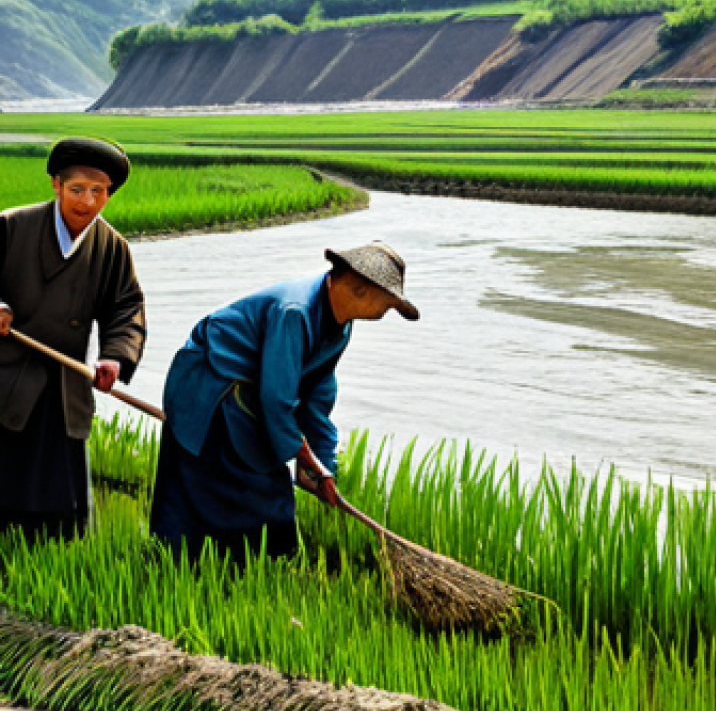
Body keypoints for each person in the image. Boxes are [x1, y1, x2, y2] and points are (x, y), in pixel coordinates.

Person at [149, 241, 419, 561]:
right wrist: (299, 454)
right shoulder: (295, 312)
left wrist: (322, 465)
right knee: (213, 486)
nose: (385, 313)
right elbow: (277, 399)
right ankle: (176, 569)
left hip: (252, 393)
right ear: (361, 290)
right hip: (211, 386)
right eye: (385, 305)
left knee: (266, 498)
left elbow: (318, 397)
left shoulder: (340, 326)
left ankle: (252, 571)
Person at [0, 137, 147, 540]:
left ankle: (55, 558)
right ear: (56, 186)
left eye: (98, 192)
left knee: (62, 509)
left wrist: (115, 357)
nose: (86, 202)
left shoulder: (112, 248)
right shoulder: (12, 226)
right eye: (77, 190)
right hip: (7, 378)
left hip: (66, 384)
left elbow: (126, 309)